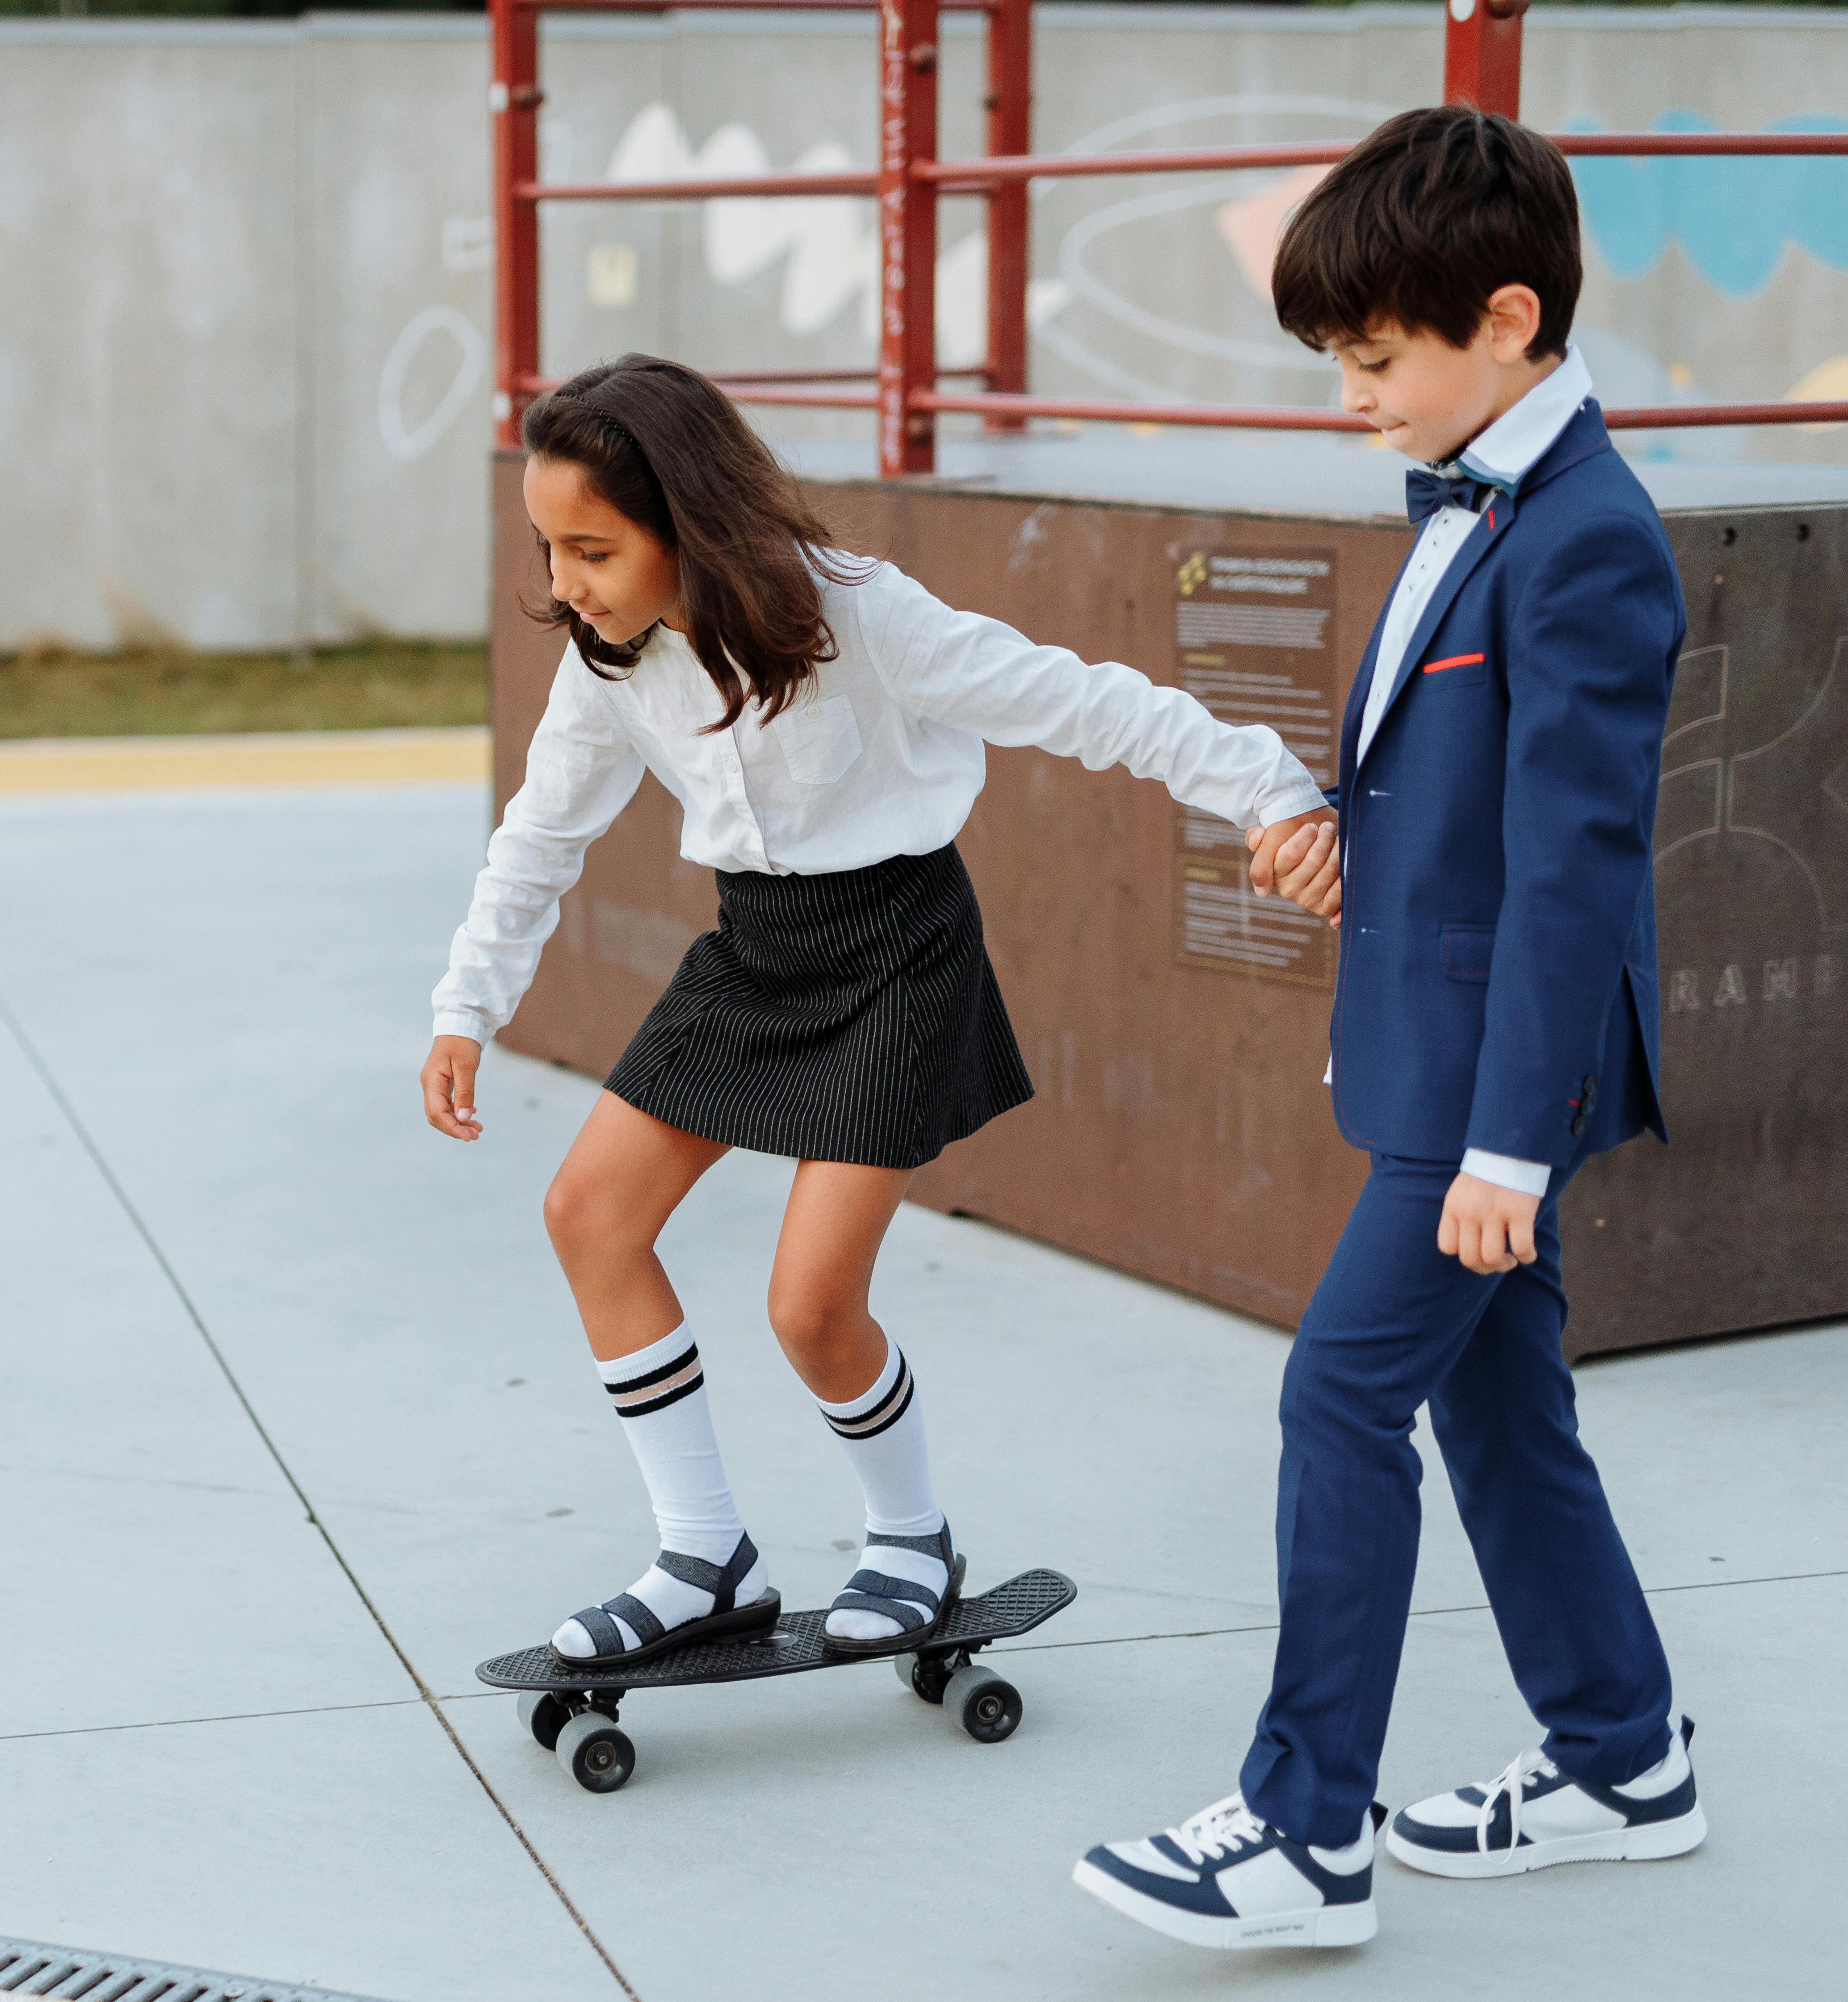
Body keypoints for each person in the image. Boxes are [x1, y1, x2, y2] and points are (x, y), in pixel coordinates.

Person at [420, 353, 1332, 1674]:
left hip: (900, 954)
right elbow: (540, 832)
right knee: (590, 1216)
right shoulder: (609, 660)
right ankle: (705, 1556)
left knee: (811, 1306)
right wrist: (469, 1006)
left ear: (692, 525)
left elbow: (1083, 702)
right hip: (756, 950)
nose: (563, 585)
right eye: (549, 549)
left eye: (594, 550)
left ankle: (913, 1537)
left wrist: (1271, 792)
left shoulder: (857, 616)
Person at [1075, 106, 1701, 1953]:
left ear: (1507, 319)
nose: (1351, 396)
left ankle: (1304, 1830)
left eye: (1373, 358)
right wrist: (1357, 840)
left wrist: (1512, 1139)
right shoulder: (1482, 494)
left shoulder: (1587, 539)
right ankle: (1623, 1753)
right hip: (1451, 1040)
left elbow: (1577, 866)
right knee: (1504, 1417)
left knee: (1341, 1394)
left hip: (1493, 1077)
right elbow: (1478, 799)